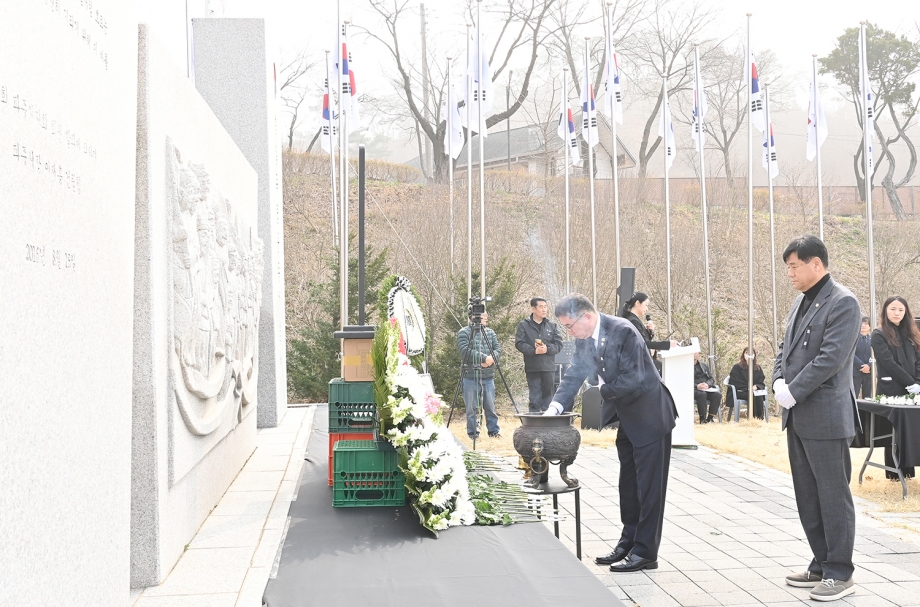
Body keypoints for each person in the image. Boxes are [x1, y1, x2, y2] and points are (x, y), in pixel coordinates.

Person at [543, 294, 677, 573]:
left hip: (650, 415)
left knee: (649, 489)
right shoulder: (585, 337)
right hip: (628, 418)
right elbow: (574, 374)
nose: (570, 333)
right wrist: (553, 409)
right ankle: (628, 543)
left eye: (569, 326)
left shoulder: (623, 330)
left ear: (586, 317)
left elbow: (634, 378)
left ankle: (646, 553)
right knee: (628, 485)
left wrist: (600, 389)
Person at [773, 235, 861, 601]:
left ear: (817, 264)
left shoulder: (843, 302)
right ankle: (821, 562)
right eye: (788, 267)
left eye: (794, 266)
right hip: (798, 414)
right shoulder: (800, 301)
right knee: (807, 495)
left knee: (832, 495)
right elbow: (785, 348)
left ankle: (840, 571)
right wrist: (778, 379)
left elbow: (830, 359)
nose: (790, 273)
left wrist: (793, 390)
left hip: (825, 415)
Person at [871, 296, 920, 480]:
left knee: (910, 432)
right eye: (893, 309)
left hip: (913, 391)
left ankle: (908, 472)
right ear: (885, 310)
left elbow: (918, 361)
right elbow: (889, 363)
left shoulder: (911, 333)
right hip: (891, 390)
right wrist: (910, 383)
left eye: (901, 309)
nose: (897, 313)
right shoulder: (879, 334)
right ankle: (894, 474)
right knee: (892, 434)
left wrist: (918, 383)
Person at [457, 310, 501, 440]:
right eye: (483, 315)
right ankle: (473, 433)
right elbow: (464, 351)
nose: (486, 318)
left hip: (488, 376)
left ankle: (494, 432)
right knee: (471, 408)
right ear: (474, 316)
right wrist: (483, 358)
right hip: (470, 377)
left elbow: (497, 349)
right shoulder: (464, 332)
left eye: (486, 315)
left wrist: (491, 359)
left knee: (490, 407)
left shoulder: (490, 332)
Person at [515, 297, 564, 413]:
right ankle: (534, 421)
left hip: (548, 367)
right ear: (533, 309)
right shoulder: (524, 325)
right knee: (534, 398)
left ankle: (548, 419)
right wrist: (533, 351)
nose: (544, 309)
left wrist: (547, 349)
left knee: (549, 398)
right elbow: (519, 343)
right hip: (533, 367)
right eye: (541, 307)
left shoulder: (552, 325)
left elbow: (559, 345)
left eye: (545, 307)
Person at [620, 292, 678, 358]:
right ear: (638, 303)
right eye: (646, 305)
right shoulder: (633, 321)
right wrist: (668, 344)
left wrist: (649, 332)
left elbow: (642, 340)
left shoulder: (633, 319)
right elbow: (644, 343)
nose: (647, 309)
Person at [726, 347, 767, 420]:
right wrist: (748, 387)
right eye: (747, 353)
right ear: (743, 355)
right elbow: (735, 381)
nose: (749, 355)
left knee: (758, 394)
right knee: (752, 394)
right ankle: (753, 417)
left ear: (754, 355)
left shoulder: (757, 367)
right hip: (741, 391)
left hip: (754, 390)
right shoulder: (737, 367)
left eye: (751, 353)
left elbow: (761, 380)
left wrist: (756, 386)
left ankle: (759, 418)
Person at [693, 351, 721, 423]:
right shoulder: (684, 366)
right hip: (693, 389)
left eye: (696, 352)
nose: (695, 354)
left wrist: (707, 384)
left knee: (717, 395)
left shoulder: (704, 365)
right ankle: (702, 419)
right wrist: (697, 386)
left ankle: (710, 418)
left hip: (706, 389)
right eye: (693, 352)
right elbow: (684, 381)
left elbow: (711, 379)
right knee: (702, 394)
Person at [853, 316, 873, 400]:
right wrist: (862, 366)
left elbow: (877, 354)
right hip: (856, 372)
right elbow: (851, 354)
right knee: (854, 397)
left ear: (869, 326)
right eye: (861, 324)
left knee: (868, 398)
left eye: (866, 324)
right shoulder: (853, 338)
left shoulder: (873, 339)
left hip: (869, 373)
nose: (863, 325)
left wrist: (869, 366)